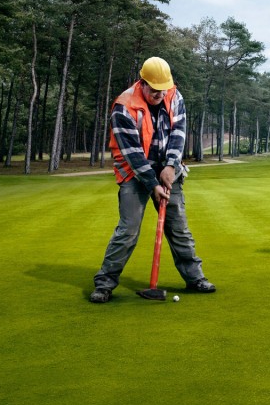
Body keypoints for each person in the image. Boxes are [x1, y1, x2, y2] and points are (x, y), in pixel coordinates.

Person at [89, 56, 215, 303]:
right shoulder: (123, 106)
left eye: (163, 90)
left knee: (178, 228)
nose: (159, 95)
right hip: (134, 172)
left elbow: (179, 134)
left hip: (169, 169)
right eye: (154, 90)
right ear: (142, 83)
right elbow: (133, 154)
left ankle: (195, 278)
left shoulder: (174, 96)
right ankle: (105, 283)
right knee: (128, 229)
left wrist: (170, 166)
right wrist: (153, 183)